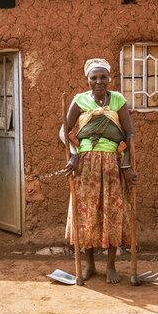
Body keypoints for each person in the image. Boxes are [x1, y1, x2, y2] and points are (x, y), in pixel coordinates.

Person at [60, 58, 138, 284]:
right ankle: (90, 264)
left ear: (109, 78)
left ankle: (111, 266)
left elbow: (129, 135)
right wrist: (73, 154)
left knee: (112, 214)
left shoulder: (118, 101)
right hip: (84, 166)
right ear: (87, 80)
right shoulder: (79, 101)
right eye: (94, 78)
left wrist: (126, 165)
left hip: (113, 165)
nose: (99, 81)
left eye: (103, 77)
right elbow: (62, 133)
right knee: (86, 215)